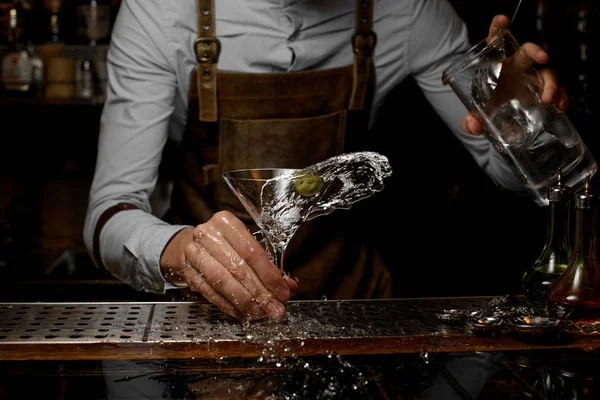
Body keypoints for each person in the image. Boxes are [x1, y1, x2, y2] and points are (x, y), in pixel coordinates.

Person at [83, 0, 568, 322]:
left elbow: (514, 178)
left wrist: (517, 117)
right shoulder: (159, 12)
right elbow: (108, 214)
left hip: (353, 309)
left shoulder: (408, 10)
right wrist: (180, 253)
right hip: (203, 316)